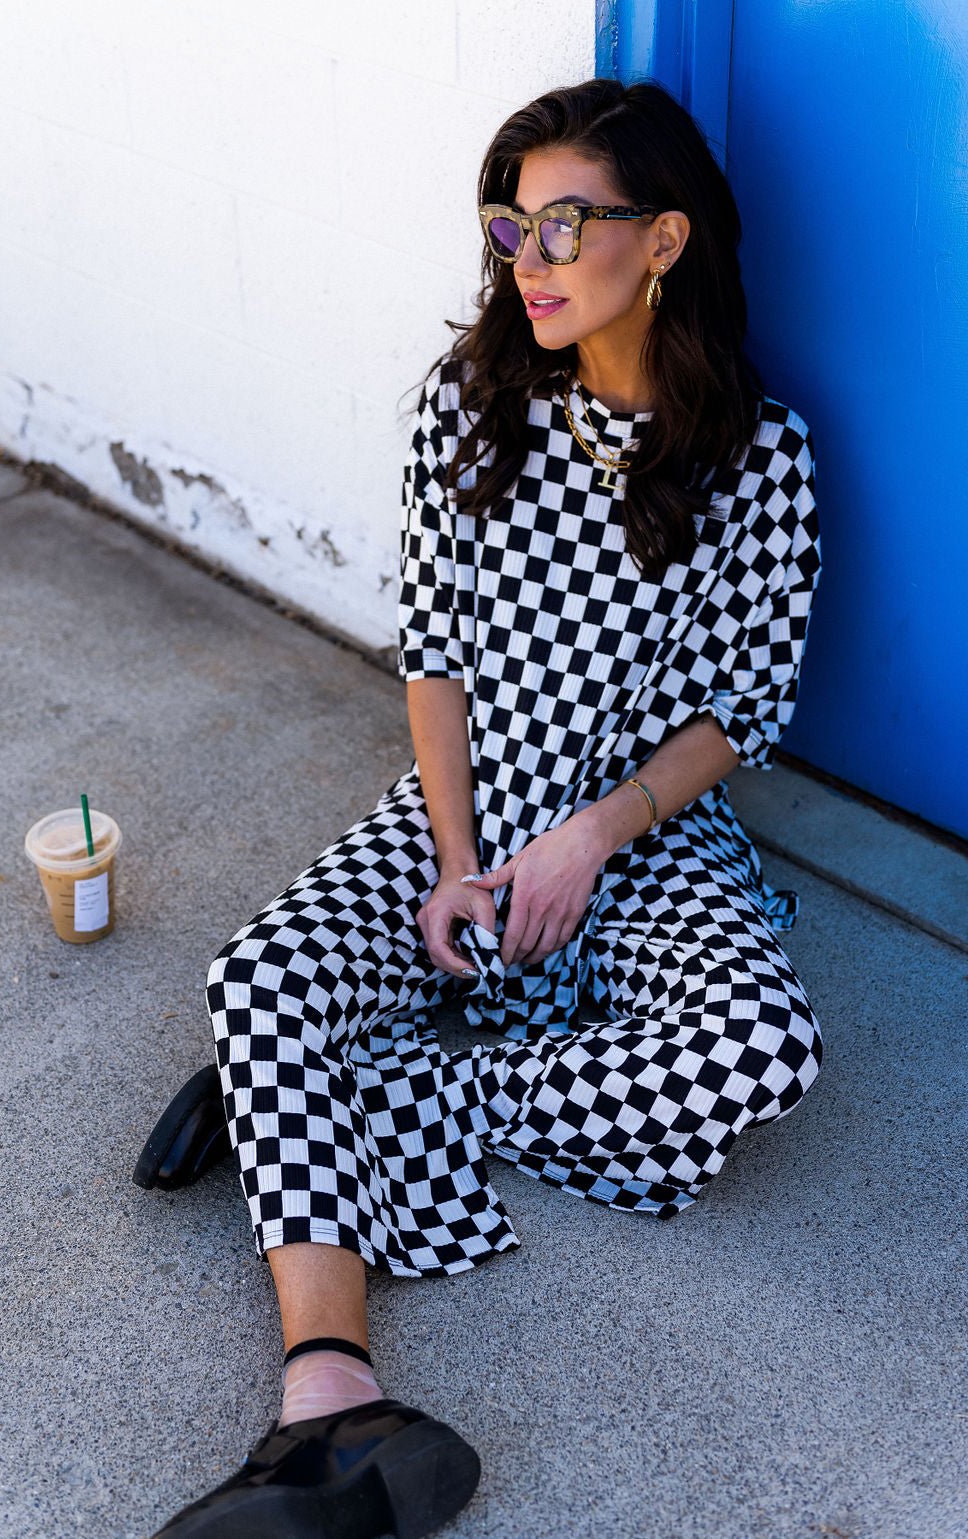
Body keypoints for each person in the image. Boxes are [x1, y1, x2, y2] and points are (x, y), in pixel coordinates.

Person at [143, 75, 822, 1539]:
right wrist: (457, 860)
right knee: (253, 978)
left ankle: (343, 1101)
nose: (530, 259)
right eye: (512, 225)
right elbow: (434, 665)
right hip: (463, 807)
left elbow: (741, 709)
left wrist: (592, 832)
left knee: (762, 1051)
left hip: (640, 838)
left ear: (667, 240)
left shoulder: (765, 461)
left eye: (567, 223)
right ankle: (329, 1402)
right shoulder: (469, 411)